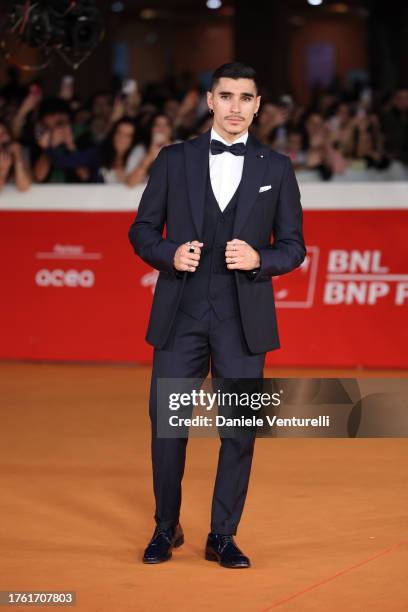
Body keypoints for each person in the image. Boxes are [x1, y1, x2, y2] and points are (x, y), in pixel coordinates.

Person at [128, 62, 306, 568]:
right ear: (209, 100)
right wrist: (168, 254)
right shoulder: (173, 159)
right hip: (180, 314)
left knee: (239, 432)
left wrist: (260, 259)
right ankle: (166, 527)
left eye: (244, 98)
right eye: (225, 96)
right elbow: (141, 230)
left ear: (257, 105)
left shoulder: (277, 167)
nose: (234, 107)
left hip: (243, 321)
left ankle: (223, 536)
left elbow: (293, 247)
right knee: (168, 427)